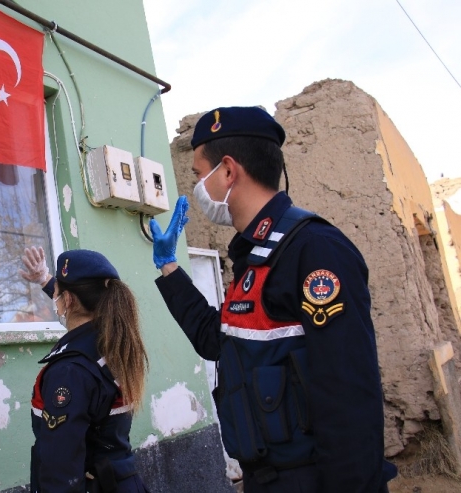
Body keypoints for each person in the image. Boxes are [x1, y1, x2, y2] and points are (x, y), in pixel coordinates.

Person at [149, 107, 397, 492]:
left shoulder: (312, 250)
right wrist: (169, 267)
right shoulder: (254, 257)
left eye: (199, 175)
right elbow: (216, 340)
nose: (196, 187)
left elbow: (349, 397)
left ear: (228, 171)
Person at [20, 247, 150, 493]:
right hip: (119, 479)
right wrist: (45, 280)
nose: (55, 298)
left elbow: (60, 467)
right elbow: (78, 307)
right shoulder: (112, 340)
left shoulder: (70, 371)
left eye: (57, 293)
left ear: (68, 300)